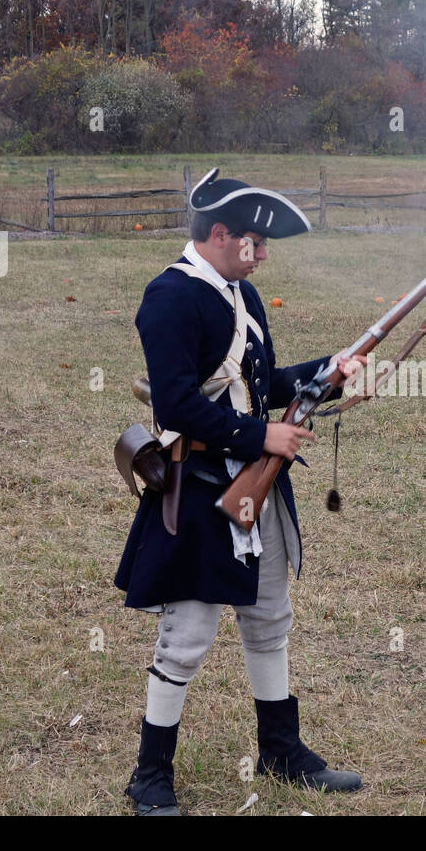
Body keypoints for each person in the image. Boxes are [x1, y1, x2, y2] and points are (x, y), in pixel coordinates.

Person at [114, 168, 368, 815]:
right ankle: (150, 776)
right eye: (254, 241)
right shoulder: (169, 297)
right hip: (200, 487)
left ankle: (280, 752)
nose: (262, 254)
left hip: (255, 486)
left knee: (269, 617)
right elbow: (174, 404)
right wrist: (261, 438)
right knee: (188, 634)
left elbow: (266, 381)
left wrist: (330, 371)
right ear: (219, 234)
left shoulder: (241, 295)